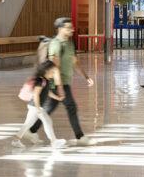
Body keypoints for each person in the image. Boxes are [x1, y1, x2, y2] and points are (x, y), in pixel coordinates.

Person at [27, 17, 96, 146]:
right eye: (68, 27)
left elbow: (75, 62)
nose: (72, 30)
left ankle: (31, 130)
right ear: (60, 29)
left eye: (72, 27)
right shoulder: (56, 44)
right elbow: (54, 67)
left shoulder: (69, 43)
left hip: (64, 82)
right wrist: (59, 87)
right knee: (71, 107)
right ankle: (80, 137)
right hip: (57, 82)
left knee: (49, 107)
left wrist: (86, 76)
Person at [12, 60, 67, 149]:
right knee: (47, 121)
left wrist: (57, 97)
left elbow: (48, 92)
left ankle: (16, 140)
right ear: (47, 70)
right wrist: (38, 108)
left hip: (35, 107)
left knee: (28, 124)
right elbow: (36, 94)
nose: (53, 74)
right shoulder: (41, 80)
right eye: (52, 71)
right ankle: (54, 141)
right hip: (35, 106)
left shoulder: (47, 80)